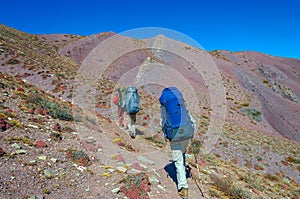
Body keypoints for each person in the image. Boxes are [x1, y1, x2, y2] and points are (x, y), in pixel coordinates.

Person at [159, 87, 195, 199]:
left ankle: (183, 188)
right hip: (187, 132)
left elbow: (163, 120)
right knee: (182, 154)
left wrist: (165, 132)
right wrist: (192, 131)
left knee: (178, 161)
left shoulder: (165, 106)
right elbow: (190, 117)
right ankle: (183, 174)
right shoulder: (181, 104)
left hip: (175, 134)